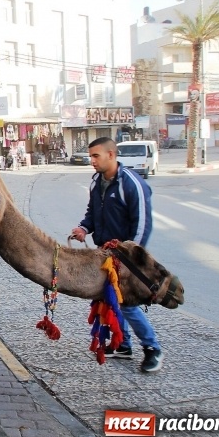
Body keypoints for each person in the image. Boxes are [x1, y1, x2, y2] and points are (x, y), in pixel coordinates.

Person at [69, 137, 164, 373]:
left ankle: (153, 349)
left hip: (126, 259)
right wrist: (83, 228)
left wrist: (130, 258)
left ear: (111, 155)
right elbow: (92, 213)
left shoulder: (131, 183)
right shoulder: (96, 182)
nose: (91, 161)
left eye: (96, 156)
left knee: (127, 304)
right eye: (90, 156)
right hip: (104, 255)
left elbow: (142, 224)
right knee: (109, 300)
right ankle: (122, 345)